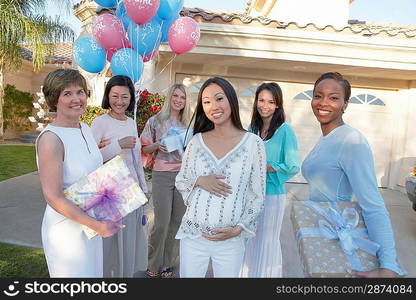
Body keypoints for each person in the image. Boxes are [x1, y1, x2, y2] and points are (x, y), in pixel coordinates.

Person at [302, 72, 404, 277]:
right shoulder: (326, 138)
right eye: (318, 95)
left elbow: (373, 205)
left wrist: (389, 265)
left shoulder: (351, 141)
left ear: (345, 104)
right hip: (323, 238)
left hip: (342, 243)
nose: (323, 103)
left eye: (333, 97)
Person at [175, 77, 267, 278]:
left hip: (230, 240)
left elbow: (258, 195)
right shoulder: (196, 141)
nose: (213, 106)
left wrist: (238, 229)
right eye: (206, 102)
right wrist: (199, 180)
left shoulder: (254, 144)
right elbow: (181, 180)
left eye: (219, 99)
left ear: (231, 101)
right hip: (194, 236)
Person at [36, 69, 122, 277]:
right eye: (67, 93)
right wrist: (96, 225)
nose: (76, 99)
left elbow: (93, 172)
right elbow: (53, 196)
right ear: (54, 99)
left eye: (80, 92)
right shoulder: (51, 139)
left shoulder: (84, 127)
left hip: (91, 224)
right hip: (67, 232)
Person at [91, 75, 149, 277]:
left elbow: (136, 159)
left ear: (131, 98)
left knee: (128, 241)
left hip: (131, 191)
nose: (119, 101)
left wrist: (144, 186)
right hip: (109, 191)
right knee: (109, 244)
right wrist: (117, 145)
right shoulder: (100, 122)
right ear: (108, 96)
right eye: (115, 96)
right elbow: (90, 158)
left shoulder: (131, 122)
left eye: (124, 97)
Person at [240, 82, 300, 278]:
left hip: (272, 196)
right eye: (261, 100)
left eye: (270, 102)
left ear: (277, 105)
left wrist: (268, 166)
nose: (264, 106)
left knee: (266, 240)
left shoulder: (284, 131)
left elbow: (293, 165)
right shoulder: (252, 128)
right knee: (248, 237)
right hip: (250, 194)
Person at [140, 83, 192, 278]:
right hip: (162, 175)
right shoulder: (155, 121)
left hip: (182, 177)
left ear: (186, 101)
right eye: (175, 96)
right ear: (170, 97)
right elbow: (144, 149)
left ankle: (167, 264)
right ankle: (153, 263)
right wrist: (157, 145)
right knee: (161, 222)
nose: (178, 100)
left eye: (183, 97)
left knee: (176, 223)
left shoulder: (189, 125)